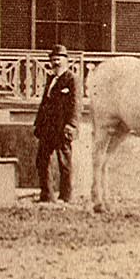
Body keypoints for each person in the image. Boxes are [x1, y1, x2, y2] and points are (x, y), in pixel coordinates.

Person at [32, 44, 79, 204]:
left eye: (59, 59)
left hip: (62, 127)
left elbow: (76, 104)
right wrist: (38, 124)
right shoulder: (51, 79)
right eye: (53, 60)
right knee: (42, 160)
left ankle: (66, 196)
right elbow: (44, 103)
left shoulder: (71, 79)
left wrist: (71, 125)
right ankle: (47, 195)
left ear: (66, 61)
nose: (55, 63)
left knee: (64, 162)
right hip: (47, 128)